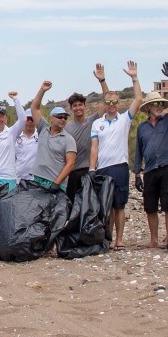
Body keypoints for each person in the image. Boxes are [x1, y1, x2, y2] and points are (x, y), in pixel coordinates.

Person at [87, 62, 142, 251]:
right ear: (105, 104)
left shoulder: (125, 119)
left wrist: (134, 78)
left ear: (118, 104)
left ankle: (119, 239)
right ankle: (108, 238)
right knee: (107, 206)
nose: (111, 105)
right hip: (102, 168)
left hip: (120, 166)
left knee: (120, 205)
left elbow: (139, 99)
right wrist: (92, 169)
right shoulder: (97, 124)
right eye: (108, 102)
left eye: (114, 102)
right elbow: (94, 148)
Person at [132, 64, 168, 249]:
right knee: (150, 206)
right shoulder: (142, 128)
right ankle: (154, 240)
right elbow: (138, 151)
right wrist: (137, 174)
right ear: (148, 107)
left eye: (161, 104)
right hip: (151, 170)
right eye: (156, 104)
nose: (159, 106)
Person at [60, 65, 112, 200]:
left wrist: (102, 81)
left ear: (84, 106)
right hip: (72, 173)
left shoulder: (93, 121)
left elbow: (107, 102)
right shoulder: (66, 127)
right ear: (71, 108)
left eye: (80, 105)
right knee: (72, 207)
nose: (78, 108)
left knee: (89, 207)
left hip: (89, 171)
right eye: (75, 105)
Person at [29, 83, 78, 193]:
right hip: (37, 180)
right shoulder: (43, 129)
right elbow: (34, 108)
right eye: (60, 117)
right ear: (51, 118)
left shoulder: (69, 139)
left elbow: (70, 163)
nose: (63, 119)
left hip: (55, 184)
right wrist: (42, 90)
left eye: (65, 117)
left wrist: (57, 183)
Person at [14, 110, 39, 182]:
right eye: (28, 119)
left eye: (32, 119)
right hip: (17, 179)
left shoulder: (41, 135)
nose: (30, 121)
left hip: (35, 179)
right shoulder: (16, 135)